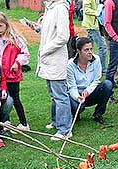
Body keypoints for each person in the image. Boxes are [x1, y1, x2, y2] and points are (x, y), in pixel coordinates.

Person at [37, 0, 72, 141]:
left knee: (60, 95)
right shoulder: (49, 8)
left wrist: (46, 50)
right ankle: (56, 121)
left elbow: (63, 36)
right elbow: (51, 33)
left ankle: (65, 130)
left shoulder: (60, 8)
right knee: (53, 93)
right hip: (48, 59)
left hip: (55, 59)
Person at [0, 12, 31, 132]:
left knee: (15, 99)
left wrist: (17, 63)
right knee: (2, 98)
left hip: (12, 76)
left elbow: (25, 53)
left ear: (6, 25)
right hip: (0, 76)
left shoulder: (15, 39)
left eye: (0, 26)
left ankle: (24, 123)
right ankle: (5, 121)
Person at [66, 37, 113, 124]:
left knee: (108, 84)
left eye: (91, 49)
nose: (90, 52)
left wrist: (88, 91)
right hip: (76, 95)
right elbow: (71, 86)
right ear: (78, 51)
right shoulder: (70, 65)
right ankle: (74, 113)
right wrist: (77, 97)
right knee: (79, 107)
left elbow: (96, 80)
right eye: (86, 50)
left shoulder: (96, 60)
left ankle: (98, 114)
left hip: (91, 93)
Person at [82, 0, 107, 70]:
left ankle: (89, 66)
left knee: (88, 48)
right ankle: (102, 68)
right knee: (102, 47)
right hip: (92, 26)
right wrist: (97, 13)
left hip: (94, 25)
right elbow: (86, 9)